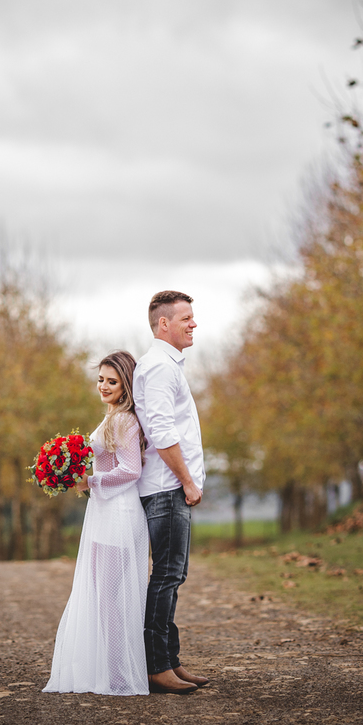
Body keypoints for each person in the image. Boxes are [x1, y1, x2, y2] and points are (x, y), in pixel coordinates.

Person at [43, 351, 150, 696]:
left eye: (112, 381)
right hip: (107, 512)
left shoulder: (124, 421)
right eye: (101, 380)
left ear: (126, 385)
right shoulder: (113, 417)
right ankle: (113, 671)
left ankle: (119, 674)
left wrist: (90, 481)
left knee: (109, 599)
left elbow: (132, 470)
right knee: (105, 598)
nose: (104, 386)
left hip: (119, 515)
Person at [133, 290, 208, 695]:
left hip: (167, 488)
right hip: (166, 489)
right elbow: (162, 432)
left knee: (171, 576)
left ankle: (170, 661)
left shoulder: (165, 365)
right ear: (164, 324)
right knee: (166, 576)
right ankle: (155, 666)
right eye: (186, 318)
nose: (193, 324)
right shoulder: (160, 367)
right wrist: (188, 481)